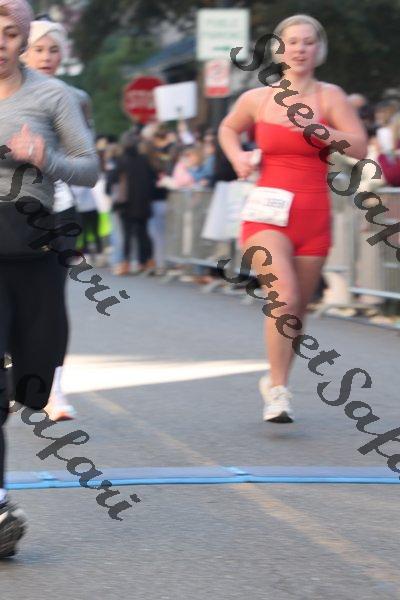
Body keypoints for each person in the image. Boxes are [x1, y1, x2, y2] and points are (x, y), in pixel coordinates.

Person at [218, 14, 367, 423]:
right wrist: (238, 158)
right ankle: (279, 393)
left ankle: (275, 379)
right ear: (278, 49)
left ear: (319, 50)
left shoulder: (330, 96)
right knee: (283, 295)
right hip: (266, 216)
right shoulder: (258, 98)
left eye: (308, 42)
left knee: (298, 307)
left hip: (313, 215)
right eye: (293, 42)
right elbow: (228, 129)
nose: (300, 49)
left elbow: (359, 146)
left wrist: (319, 130)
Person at [0, 0, 98, 557]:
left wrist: (44, 156)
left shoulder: (53, 95)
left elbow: (89, 166)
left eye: (10, 33)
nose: (0, 42)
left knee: (35, 383)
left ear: (22, 40)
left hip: (34, 243)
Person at [22, 16, 96, 421]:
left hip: (58, 208)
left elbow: (85, 159)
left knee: (51, 299)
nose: (47, 57)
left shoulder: (76, 98)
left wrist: (49, 158)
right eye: (38, 49)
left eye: (54, 50)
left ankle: (54, 388)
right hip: (8, 208)